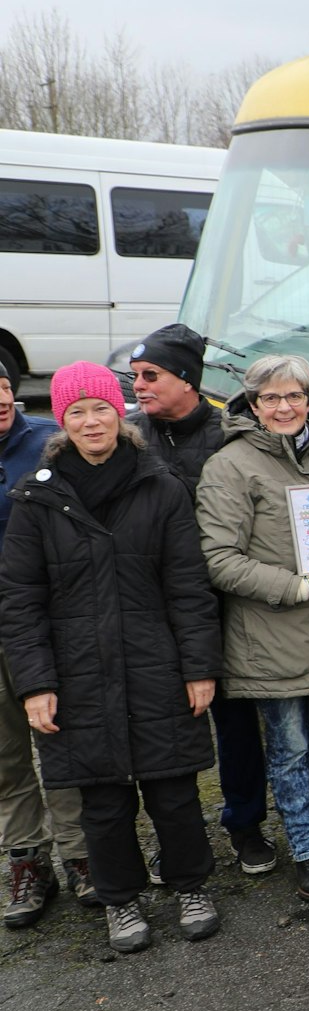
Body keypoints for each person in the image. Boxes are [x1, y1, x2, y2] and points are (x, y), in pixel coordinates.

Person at [0, 362, 224, 954]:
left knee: (174, 788)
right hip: (76, 674)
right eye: (77, 411)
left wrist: (200, 667)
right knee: (103, 797)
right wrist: (35, 684)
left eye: (100, 408)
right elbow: (20, 601)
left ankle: (190, 886)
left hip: (156, 661)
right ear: (61, 421)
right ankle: (120, 901)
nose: (91, 421)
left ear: (119, 414)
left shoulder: (160, 486)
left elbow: (188, 586)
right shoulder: (37, 499)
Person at [195, 354, 309, 903]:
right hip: (270, 632)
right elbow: (218, 558)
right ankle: (305, 851)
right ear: (253, 405)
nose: (284, 407)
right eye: (271, 398)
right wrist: (295, 585)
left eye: (294, 396)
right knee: (290, 749)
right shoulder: (230, 467)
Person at [127, 322, 278, 875]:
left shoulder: (230, 433)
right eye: (135, 376)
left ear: (188, 380)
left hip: (227, 604)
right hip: (154, 610)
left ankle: (246, 825)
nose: (139, 386)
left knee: (237, 725)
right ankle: (180, 837)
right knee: (170, 729)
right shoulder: (128, 436)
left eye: (152, 375)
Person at [0, 361, 89, 927]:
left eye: (5, 386)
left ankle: (82, 856)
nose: (0, 399)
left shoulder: (46, 446)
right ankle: (28, 859)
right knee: (6, 757)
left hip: (46, 624)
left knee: (62, 739)